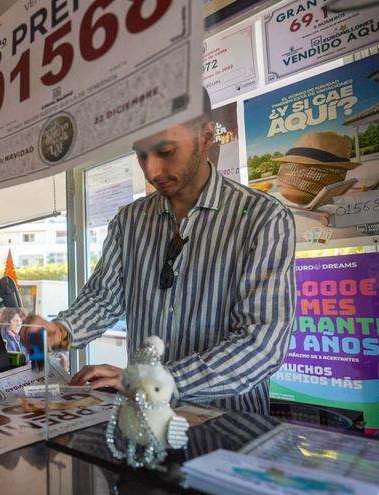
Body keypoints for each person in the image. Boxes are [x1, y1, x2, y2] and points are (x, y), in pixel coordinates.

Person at [21, 90, 296, 414]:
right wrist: (61, 332)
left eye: (166, 152)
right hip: (144, 425)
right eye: (141, 155)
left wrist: (155, 380)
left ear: (206, 137)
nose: (151, 171)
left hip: (228, 429)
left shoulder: (263, 218)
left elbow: (259, 345)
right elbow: (103, 299)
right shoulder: (130, 220)